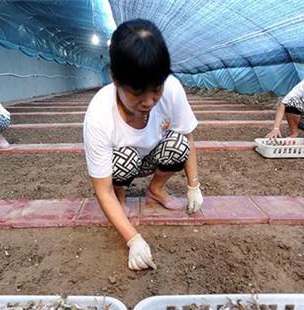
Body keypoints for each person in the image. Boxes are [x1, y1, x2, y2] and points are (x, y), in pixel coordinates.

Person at [83, 19, 203, 271]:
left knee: (178, 144)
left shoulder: (172, 89)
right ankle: (122, 196)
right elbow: (101, 189)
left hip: (152, 155)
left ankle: (155, 190)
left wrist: (194, 186)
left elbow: (188, 137)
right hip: (122, 164)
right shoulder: (99, 114)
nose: (149, 101)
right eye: (137, 93)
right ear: (115, 79)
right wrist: (133, 239)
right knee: (123, 159)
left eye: (156, 90)